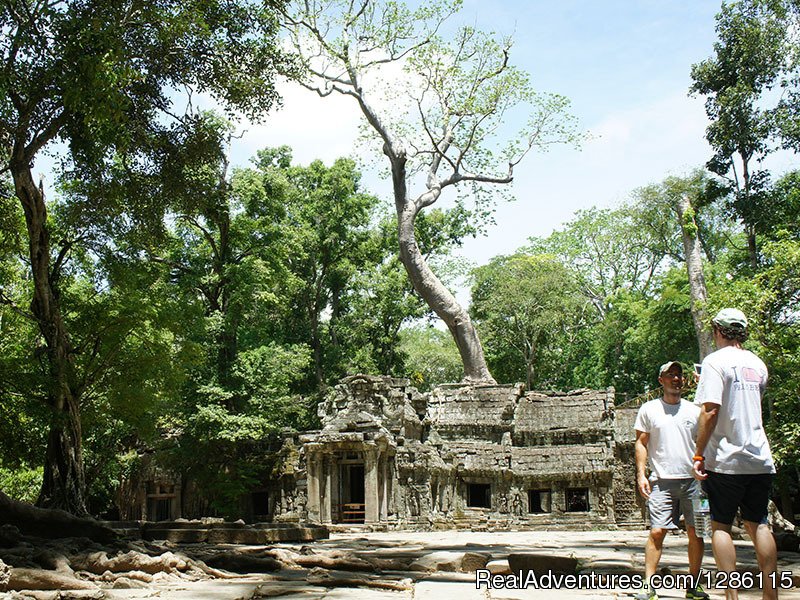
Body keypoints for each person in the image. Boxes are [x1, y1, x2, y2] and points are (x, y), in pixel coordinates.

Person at [692, 308, 777, 600]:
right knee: (759, 524)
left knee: (721, 526)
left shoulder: (714, 362)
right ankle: (771, 593)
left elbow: (711, 410)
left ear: (718, 331)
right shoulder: (758, 364)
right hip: (759, 458)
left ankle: (731, 595)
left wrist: (698, 453)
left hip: (725, 460)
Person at [634, 361, 709, 600]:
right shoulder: (649, 409)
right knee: (657, 532)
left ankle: (694, 585)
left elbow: (705, 440)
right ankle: (648, 585)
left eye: (678, 375)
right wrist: (641, 474)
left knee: (696, 533)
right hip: (661, 481)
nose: (675, 379)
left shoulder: (695, 410)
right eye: (670, 375)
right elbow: (641, 443)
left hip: (693, 481)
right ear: (661, 380)